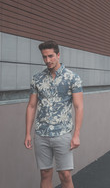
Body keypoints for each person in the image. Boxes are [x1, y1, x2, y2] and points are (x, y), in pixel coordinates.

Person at [25, 40, 84, 188]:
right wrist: (27, 133)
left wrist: (76, 134)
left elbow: (79, 106)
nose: (47, 60)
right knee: (45, 173)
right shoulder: (37, 79)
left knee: (64, 175)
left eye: (51, 56)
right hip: (41, 134)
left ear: (58, 55)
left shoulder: (72, 78)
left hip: (62, 133)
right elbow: (31, 106)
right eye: (44, 57)